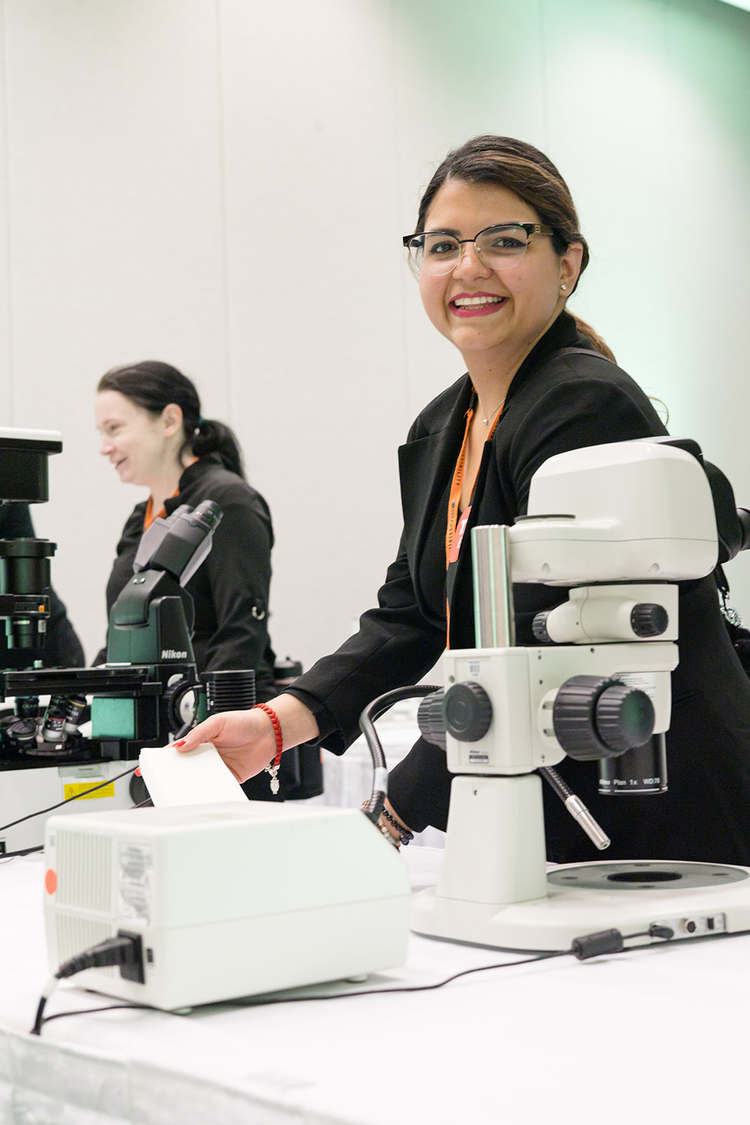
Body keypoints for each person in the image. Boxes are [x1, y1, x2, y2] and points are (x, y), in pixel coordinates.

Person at [174, 135, 750, 865]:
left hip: (655, 804)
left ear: (567, 264)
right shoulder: (443, 424)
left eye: (505, 240)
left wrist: (390, 814)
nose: (468, 268)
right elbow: (411, 612)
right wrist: (277, 722)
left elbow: (545, 643)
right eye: (442, 245)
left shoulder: (583, 405)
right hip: (547, 809)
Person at [94, 361, 280, 799]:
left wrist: (206, 727)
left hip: (216, 741)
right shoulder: (138, 519)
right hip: (152, 739)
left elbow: (242, 634)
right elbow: (122, 631)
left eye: (115, 428)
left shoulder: (227, 500)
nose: (104, 446)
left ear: (170, 421)